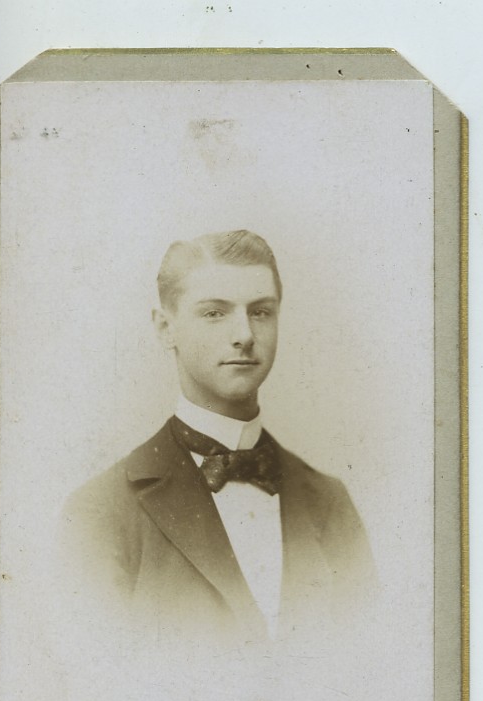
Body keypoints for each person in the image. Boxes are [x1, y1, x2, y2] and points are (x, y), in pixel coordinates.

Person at [62, 230, 375, 647]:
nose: (244, 334)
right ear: (165, 328)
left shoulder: (329, 502)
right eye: (214, 313)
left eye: (260, 312)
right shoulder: (100, 511)